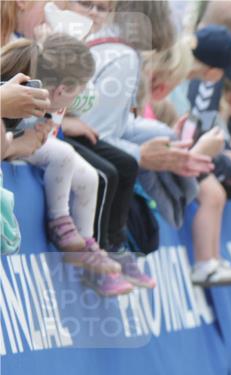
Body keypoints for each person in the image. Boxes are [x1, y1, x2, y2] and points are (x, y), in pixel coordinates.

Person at [1, 34, 132, 296]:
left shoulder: (46, 100)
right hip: (16, 145)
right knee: (64, 155)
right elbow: (7, 145)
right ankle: (60, 222)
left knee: (89, 174)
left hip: (22, 144)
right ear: (60, 90)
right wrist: (19, 144)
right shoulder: (25, 100)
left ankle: (88, 243)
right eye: (78, 91)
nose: (78, 100)